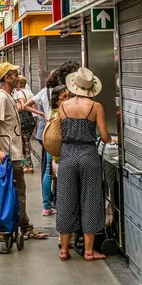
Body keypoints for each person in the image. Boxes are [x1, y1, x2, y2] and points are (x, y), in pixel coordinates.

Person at [0, 63, 47, 240]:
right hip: (9, 155)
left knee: (14, 191)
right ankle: (22, 228)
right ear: (7, 77)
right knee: (17, 191)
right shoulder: (1, 97)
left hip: (13, 153)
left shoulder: (8, 96)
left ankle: (14, 227)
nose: (18, 77)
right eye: (15, 75)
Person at [57, 67, 111, 261]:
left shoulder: (63, 106)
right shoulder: (96, 107)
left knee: (65, 200)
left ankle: (64, 249)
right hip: (88, 155)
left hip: (67, 155)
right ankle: (89, 251)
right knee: (90, 200)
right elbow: (104, 136)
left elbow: (59, 133)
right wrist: (109, 139)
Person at [23, 69, 60, 215]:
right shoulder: (62, 92)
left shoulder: (44, 92)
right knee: (59, 168)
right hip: (58, 133)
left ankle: (46, 205)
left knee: (48, 170)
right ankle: (59, 201)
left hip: (48, 133)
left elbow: (26, 105)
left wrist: (43, 114)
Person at [13, 75, 35, 173]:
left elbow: (22, 106)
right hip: (30, 119)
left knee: (24, 144)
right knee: (27, 142)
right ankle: (28, 163)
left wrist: (15, 108)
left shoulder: (19, 93)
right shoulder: (29, 92)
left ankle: (27, 165)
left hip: (23, 120)